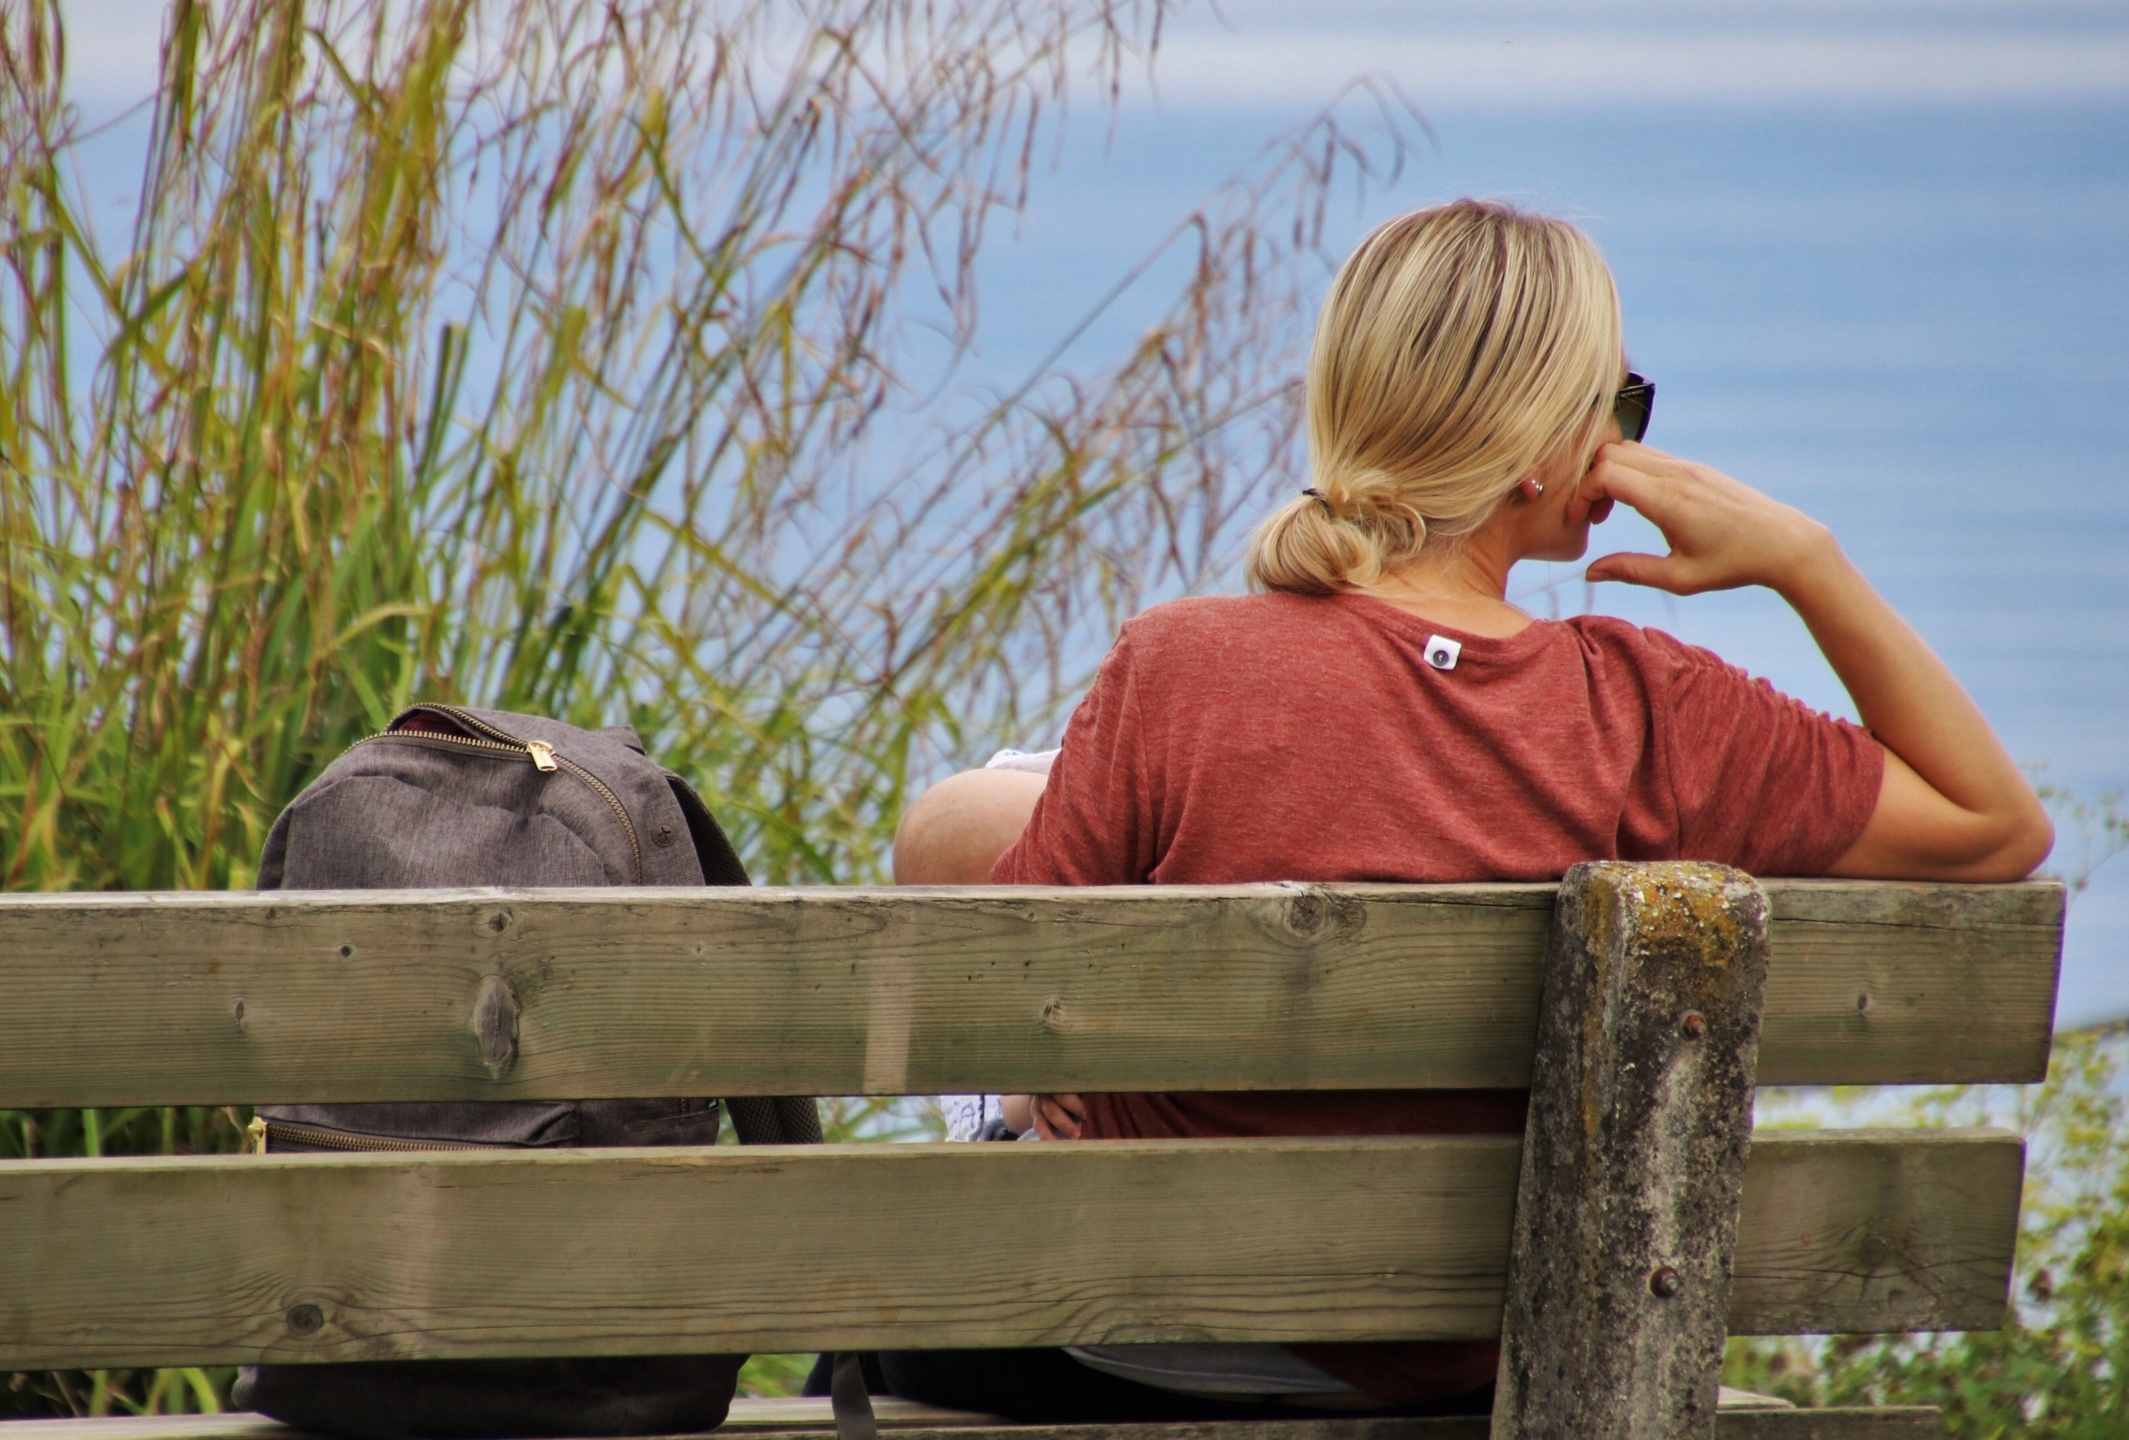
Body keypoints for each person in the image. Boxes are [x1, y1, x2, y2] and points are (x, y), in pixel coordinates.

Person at [875, 198, 2054, 1419]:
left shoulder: (1180, 668)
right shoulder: (1653, 711)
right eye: (1620, 408)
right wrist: (1805, 558)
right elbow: (1993, 826)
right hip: (1477, 1356)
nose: (1628, 444)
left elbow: (999, 1020)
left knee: (880, 1331)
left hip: (1128, 1335)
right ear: (1547, 444)